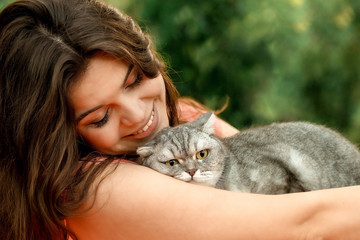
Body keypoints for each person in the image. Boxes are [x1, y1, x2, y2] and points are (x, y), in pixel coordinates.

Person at [0, 0, 359, 239]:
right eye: (100, 118)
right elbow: (306, 224)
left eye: (136, 80)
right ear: (59, 136)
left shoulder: (184, 119)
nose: (141, 117)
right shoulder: (92, 187)